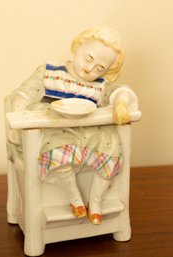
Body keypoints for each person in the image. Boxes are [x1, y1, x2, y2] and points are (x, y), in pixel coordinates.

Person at [9, 26, 136, 225]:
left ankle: (95, 201)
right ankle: (75, 197)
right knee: (56, 150)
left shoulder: (99, 86)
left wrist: (120, 103)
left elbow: (121, 90)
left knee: (112, 146)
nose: (90, 69)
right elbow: (23, 93)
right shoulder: (49, 72)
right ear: (77, 47)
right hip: (56, 131)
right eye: (88, 58)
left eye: (100, 68)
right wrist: (17, 122)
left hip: (91, 134)